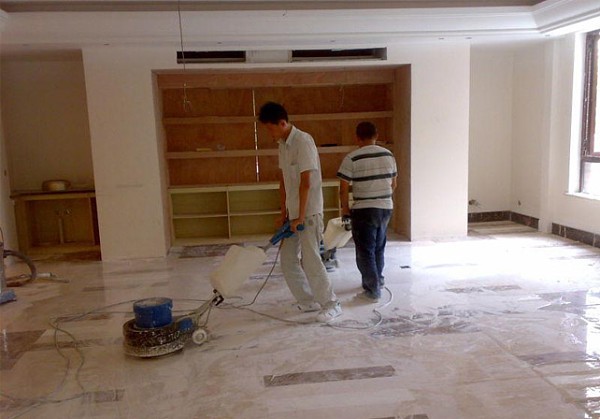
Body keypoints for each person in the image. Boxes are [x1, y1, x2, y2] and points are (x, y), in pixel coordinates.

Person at [258, 101, 342, 323]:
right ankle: (307, 300)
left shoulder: (303, 141)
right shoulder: (282, 145)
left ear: (282, 123)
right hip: (293, 214)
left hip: (309, 214)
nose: (269, 133)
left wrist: (301, 216)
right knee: (287, 260)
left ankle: (331, 304)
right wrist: (284, 213)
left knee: (311, 260)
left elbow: (306, 182)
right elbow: (284, 182)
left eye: (270, 128)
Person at [337, 122, 397, 302]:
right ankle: (379, 278)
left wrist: (345, 209)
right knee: (379, 246)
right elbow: (394, 184)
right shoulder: (388, 155)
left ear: (357, 137)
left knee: (365, 250)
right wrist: (382, 198)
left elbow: (343, 188)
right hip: (385, 208)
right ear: (376, 135)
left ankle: (373, 289)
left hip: (363, 210)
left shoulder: (352, 158)